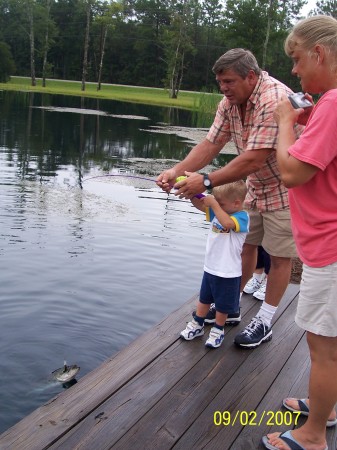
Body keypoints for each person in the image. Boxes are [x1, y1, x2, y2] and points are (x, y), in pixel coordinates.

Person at [157, 48, 303, 349]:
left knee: (278, 256)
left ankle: (265, 319)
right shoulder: (229, 103)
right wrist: (177, 170)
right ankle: (230, 306)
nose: (223, 88)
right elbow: (211, 143)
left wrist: (206, 180)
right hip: (255, 185)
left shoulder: (272, 98)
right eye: (220, 82)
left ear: (251, 76)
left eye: (229, 81)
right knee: (245, 246)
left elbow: (255, 158)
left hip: (287, 187)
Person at [261, 14, 337, 450]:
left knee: (323, 347)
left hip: (329, 248)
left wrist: (287, 122)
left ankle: (312, 436)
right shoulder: (328, 107)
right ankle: (324, 405)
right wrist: (307, 123)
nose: (294, 71)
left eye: (296, 59)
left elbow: (291, 173)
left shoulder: (332, 104)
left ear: (319, 53)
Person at [180, 180, 249, 348]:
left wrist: (213, 204)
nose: (217, 205)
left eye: (221, 203)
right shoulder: (219, 211)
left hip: (228, 272)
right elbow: (201, 205)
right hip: (210, 268)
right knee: (204, 299)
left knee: (223, 306)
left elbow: (227, 224)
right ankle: (197, 325)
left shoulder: (242, 217)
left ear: (236, 203)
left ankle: (218, 330)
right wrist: (191, 194)